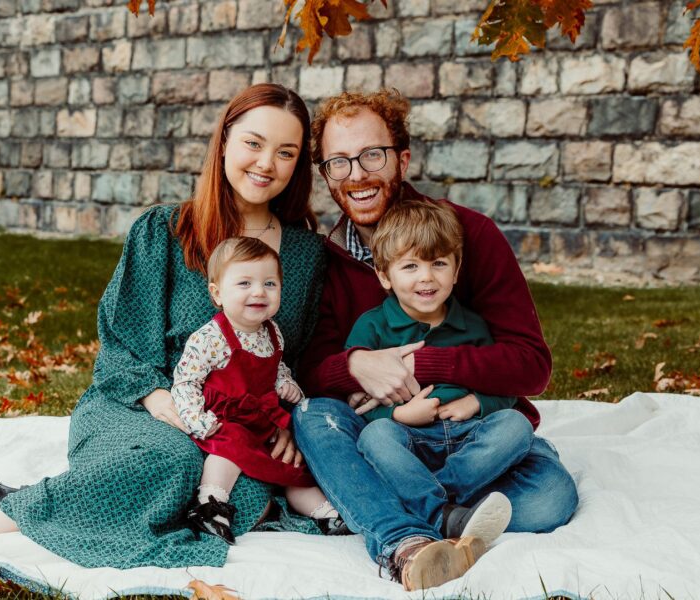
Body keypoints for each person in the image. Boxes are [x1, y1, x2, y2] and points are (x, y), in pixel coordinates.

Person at [0, 84, 329, 570]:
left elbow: (292, 358)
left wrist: (289, 426)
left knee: (229, 484)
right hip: (139, 405)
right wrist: (160, 400)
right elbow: (121, 345)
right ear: (224, 143)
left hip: (235, 430)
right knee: (171, 463)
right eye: (253, 143)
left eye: (286, 152)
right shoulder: (165, 230)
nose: (266, 163)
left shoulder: (306, 255)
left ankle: (23, 498)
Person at [292, 89, 579, 591]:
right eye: (338, 162)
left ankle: (411, 505)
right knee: (314, 416)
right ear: (326, 173)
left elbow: (531, 364)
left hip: (473, 436)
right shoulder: (327, 259)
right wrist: (357, 365)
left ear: (402, 158)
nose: (356, 174)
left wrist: (425, 366)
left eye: (371, 156)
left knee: (550, 498)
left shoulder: (469, 236)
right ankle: (406, 541)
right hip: (394, 440)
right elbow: (312, 373)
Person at [345, 198, 535, 566]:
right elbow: (360, 405)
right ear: (384, 275)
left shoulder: (474, 326)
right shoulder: (372, 328)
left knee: (515, 425)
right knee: (374, 437)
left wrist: (477, 403)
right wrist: (399, 416)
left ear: (456, 270)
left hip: (469, 438)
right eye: (410, 266)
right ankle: (451, 512)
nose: (426, 277)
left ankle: (432, 502)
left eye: (438, 264)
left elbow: (507, 390)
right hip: (411, 442)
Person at [172, 237, 345, 543]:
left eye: (269, 283)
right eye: (244, 283)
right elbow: (186, 381)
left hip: (261, 421)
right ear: (217, 294)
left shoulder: (272, 331)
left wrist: (284, 384)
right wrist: (198, 421)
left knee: (291, 466)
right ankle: (211, 506)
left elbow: (275, 367)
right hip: (223, 418)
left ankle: (327, 514)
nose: (258, 292)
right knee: (230, 450)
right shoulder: (210, 338)